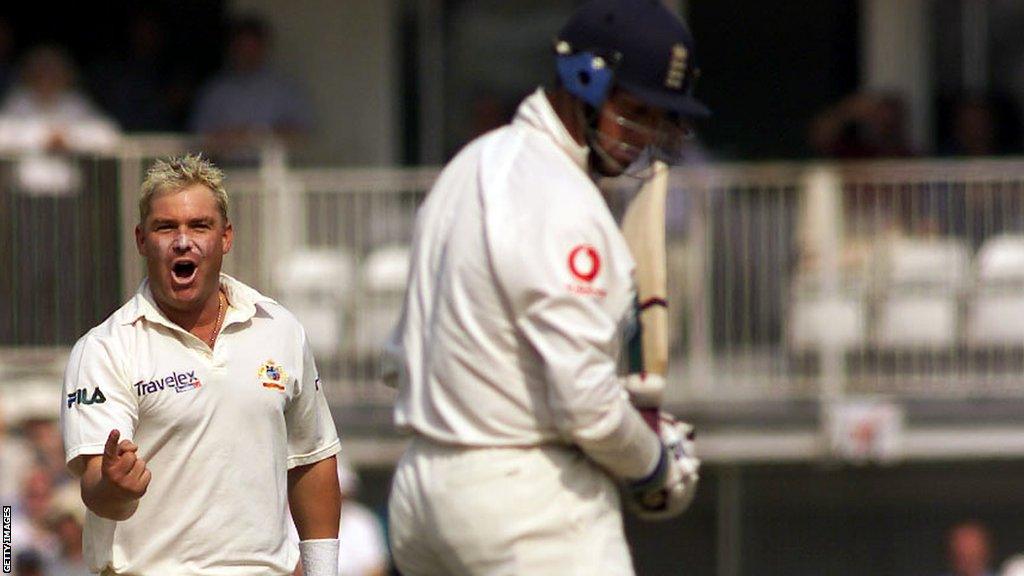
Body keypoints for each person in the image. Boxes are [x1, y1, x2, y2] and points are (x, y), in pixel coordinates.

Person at [383, 1, 705, 574]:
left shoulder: (467, 168)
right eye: (635, 111)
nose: (646, 136)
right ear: (584, 80)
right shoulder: (561, 199)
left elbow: (396, 362)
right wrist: (654, 460)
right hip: (521, 501)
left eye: (659, 119)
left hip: (420, 494)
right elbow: (589, 409)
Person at [60, 154, 342, 575]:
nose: (182, 241)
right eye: (165, 227)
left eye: (199, 226)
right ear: (141, 239)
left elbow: (312, 459)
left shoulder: (279, 328)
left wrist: (325, 572)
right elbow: (98, 488)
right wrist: (116, 488)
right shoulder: (105, 347)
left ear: (225, 237)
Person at [189, 16, 314, 160]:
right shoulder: (215, 91)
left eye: (253, 48)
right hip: (225, 171)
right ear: (232, 48)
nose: (247, 54)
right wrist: (227, 137)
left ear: (264, 48)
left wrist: (257, 135)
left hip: (272, 173)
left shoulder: (284, 88)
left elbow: (303, 132)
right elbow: (198, 139)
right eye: (243, 47)